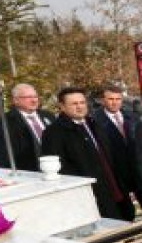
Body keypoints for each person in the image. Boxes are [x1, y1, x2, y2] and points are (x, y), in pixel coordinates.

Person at [41, 87, 128, 220]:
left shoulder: (93, 123)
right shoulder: (54, 132)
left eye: (82, 102)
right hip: (89, 196)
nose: (80, 107)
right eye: (74, 104)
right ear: (62, 107)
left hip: (114, 189)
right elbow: (60, 168)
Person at [90, 83, 142, 219]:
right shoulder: (94, 121)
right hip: (115, 171)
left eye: (118, 99)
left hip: (137, 169)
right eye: (110, 99)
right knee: (126, 213)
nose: (114, 103)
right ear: (102, 100)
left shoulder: (133, 117)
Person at [0, 83, 49, 172]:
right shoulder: (3, 122)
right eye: (28, 97)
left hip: (55, 169)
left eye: (35, 96)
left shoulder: (48, 116)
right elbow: (1, 154)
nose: (34, 100)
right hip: (27, 173)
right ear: (16, 100)